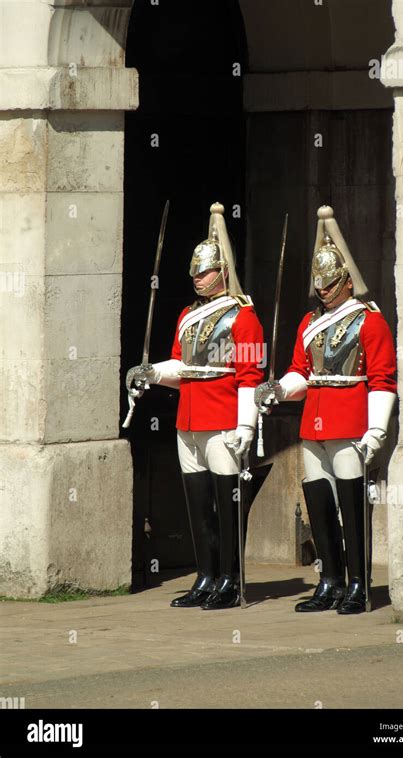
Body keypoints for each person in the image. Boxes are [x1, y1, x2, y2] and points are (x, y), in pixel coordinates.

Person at [255, 205, 397, 614]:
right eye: (319, 283)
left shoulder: (369, 321)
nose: (323, 290)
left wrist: (377, 430)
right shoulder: (307, 322)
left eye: (330, 283)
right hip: (313, 422)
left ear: (346, 282)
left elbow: (383, 380)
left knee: (352, 508)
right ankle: (330, 579)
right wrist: (278, 389)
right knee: (318, 503)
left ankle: (359, 584)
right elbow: (302, 373)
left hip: (351, 420)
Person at [128, 203, 264, 610]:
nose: (196, 278)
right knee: (198, 505)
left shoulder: (244, 317)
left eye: (203, 271)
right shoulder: (188, 315)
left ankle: (231, 579)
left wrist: (247, 426)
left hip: (223, 419)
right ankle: (206, 575)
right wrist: (150, 373)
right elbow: (181, 367)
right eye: (194, 272)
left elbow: (250, 375)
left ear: (223, 271)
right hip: (189, 419)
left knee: (226, 503)